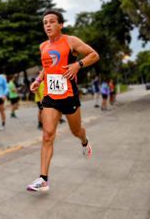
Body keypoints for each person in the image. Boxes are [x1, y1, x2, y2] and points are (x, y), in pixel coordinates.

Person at [26, 10, 99, 192]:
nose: (48, 25)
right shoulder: (43, 46)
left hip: (69, 95)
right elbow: (47, 68)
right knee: (47, 135)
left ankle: (84, 140)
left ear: (60, 25)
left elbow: (94, 55)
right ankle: (43, 179)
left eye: (52, 21)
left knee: (76, 130)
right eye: (45, 22)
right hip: (50, 96)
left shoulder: (70, 41)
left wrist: (77, 65)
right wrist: (38, 80)